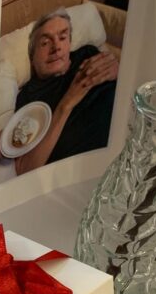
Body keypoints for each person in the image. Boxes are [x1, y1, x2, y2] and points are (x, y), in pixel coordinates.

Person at [12, 9, 119, 175]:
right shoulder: (28, 96)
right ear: (32, 56)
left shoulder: (87, 53)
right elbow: (25, 168)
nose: (56, 47)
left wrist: (119, 70)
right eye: (45, 43)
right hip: (93, 171)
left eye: (62, 38)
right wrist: (67, 103)